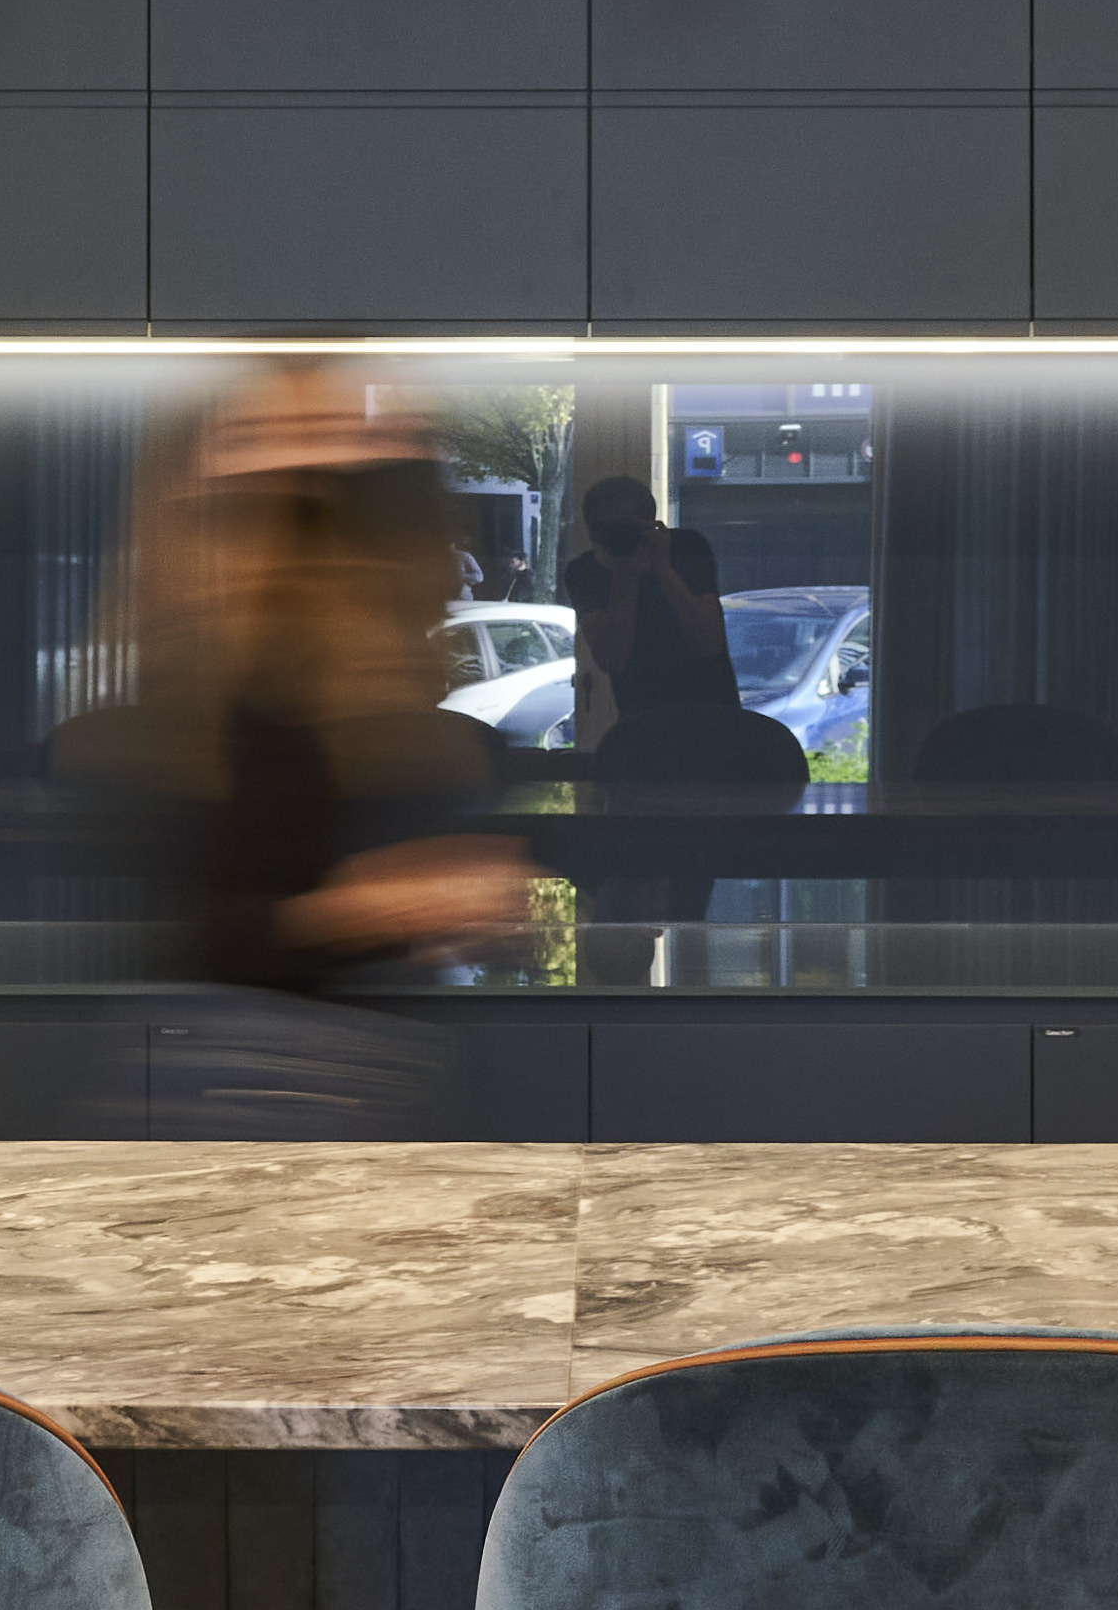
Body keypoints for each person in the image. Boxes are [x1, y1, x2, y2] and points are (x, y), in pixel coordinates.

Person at [97, 363, 528, 1126]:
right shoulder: (227, 679)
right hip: (244, 1093)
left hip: (358, 1078)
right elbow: (215, 926)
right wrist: (384, 902)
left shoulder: (365, 673)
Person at [556, 468, 726, 764]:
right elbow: (611, 658)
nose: (610, 538)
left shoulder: (685, 549)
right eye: (599, 528)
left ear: (650, 520)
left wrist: (662, 567)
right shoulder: (585, 571)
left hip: (714, 720)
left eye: (622, 527)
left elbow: (709, 644)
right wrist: (626, 575)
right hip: (641, 727)